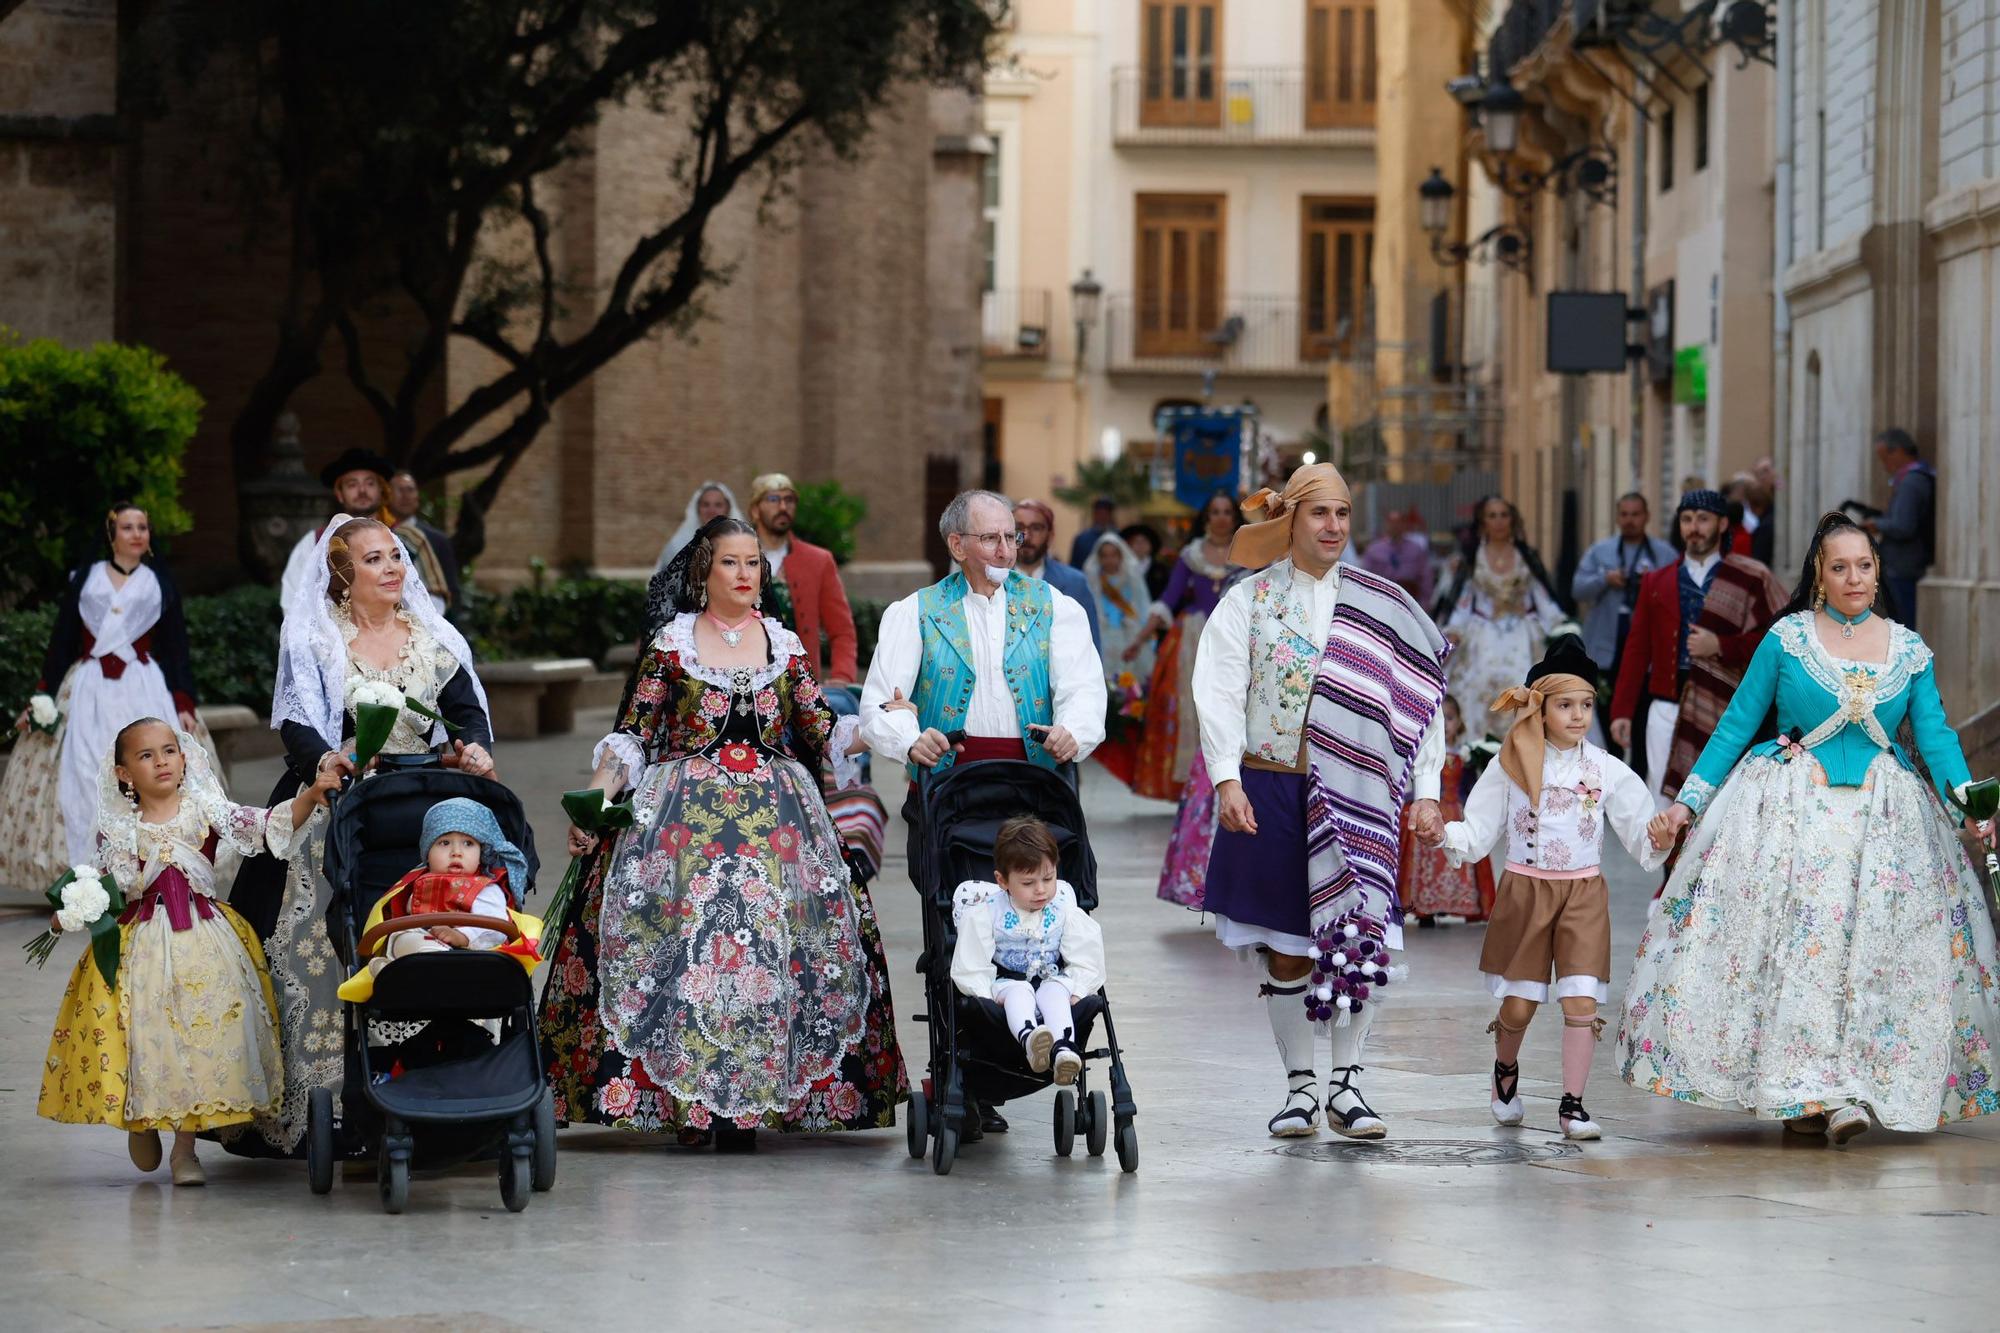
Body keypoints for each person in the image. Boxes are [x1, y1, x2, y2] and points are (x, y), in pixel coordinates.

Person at [1619, 513, 2000, 1144]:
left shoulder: (1909, 650)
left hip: (1887, 825)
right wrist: (1687, 805)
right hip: (1791, 814)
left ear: (1878, 572)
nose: (1855, 577)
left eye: (1865, 565)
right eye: (1840, 566)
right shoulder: (1787, 640)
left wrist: (1974, 809)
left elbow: (1937, 739)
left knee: (1874, 956)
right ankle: (1806, 1095)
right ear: (1819, 576)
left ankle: (1848, 1087)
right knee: (1802, 950)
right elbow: (1737, 726)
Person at [542, 517, 905, 1149]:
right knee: (675, 938)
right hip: (680, 819)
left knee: (785, 936)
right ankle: (686, 1098)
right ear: (704, 574)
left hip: (779, 815)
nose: (745, 575)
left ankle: (763, 1095)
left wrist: (877, 725)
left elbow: (823, 730)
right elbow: (632, 735)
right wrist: (595, 802)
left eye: (754, 564)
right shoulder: (672, 645)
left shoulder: (784, 645)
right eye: (731, 564)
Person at [224, 515, 495, 1159]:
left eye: (397, 557)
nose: (394, 568)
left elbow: (464, 712)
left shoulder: (431, 637)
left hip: (413, 805)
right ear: (344, 575)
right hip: (336, 800)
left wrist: (474, 749)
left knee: (429, 932)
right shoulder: (318, 638)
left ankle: (442, 1087)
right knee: (320, 945)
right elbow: (296, 722)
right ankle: (330, 1101)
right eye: (376, 560)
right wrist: (326, 760)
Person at [1194, 463, 1451, 1140]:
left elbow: (1419, 694)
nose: (1334, 526)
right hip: (1275, 783)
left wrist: (1427, 791)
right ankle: (1300, 1090)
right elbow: (1218, 689)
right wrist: (1226, 776)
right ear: (1290, 520)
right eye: (1319, 514)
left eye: (1341, 513)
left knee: (1355, 938)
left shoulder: (1382, 603)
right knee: (1288, 948)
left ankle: (1349, 1086)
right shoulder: (1247, 601)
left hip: (1360, 792)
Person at [860, 488, 1104, 1135]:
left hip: (1034, 791)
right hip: (949, 793)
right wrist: (911, 735)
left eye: (1011, 539)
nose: (1005, 549)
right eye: (992, 538)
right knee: (957, 931)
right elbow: (884, 698)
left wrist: (1074, 730)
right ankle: (960, 1075)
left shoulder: (1055, 607)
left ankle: (1033, 1051)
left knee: (1044, 923)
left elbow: (1084, 688)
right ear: (956, 545)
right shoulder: (914, 613)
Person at [37, 718, 340, 1186]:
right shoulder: (120, 831)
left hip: (206, 936)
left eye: (169, 751)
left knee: (202, 1034)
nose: (161, 761)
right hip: (144, 944)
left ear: (184, 759)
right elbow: (110, 886)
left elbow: (263, 827)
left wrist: (308, 796)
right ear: (123, 775)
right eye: (145, 756)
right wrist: (72, 910)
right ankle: (144, 1119)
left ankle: (185, 1151)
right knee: (149, 1032)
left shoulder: (204, 810)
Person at [1425, 638, 1661, 1140]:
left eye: (1585, 705)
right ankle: (1505, 1071)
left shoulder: (1605, 768)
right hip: (1526, 894)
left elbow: (1640, 825)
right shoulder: (1509, 766)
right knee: (1519, 1004)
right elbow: (1479, 828)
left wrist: (1661, 834)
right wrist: (1445, 833)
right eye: (1565, 705)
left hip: (1583, 895)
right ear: (1541, 706)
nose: (1578, 716)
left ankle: (1572, 1105)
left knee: (1582, 1003)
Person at [2, 503, 211, 893]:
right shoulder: (87, 578)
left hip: (142, 684)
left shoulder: (157, 583)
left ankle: (150, 868)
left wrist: (182, 701)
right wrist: (42, 694)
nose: (137, 534)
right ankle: (88, 876)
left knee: (150, 771)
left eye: (143, 528)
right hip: (89, 687)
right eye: (128, 527)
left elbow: (175, 646)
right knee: (86, 771)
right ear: (111, 535)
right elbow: (62, 640)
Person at [1609, 490, 1786, 810]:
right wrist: (1622, 710)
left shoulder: (1749, 577)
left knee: (1721, 803)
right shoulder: (1657, 582)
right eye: (1687, 520)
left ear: (1721, 524)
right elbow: (1636, 650)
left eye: (1703, 519)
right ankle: (1669, 863)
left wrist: (1722, 645)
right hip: (1666, 706)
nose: (1694, 527)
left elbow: (1779, 635)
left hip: (1729, 709)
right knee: (1665, 802)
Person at [950, 816, 1107, 1087]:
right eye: (1028, 883)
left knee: (1057, 991)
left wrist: (1080, 986)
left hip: (1049, 977)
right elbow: (971, 961)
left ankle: (1063, 1050)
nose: (1041, 890)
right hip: (1008, 981)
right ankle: (1031, 1039)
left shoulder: (1062, 909)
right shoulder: (988, 913)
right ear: (1002, 881)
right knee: (1018, 993)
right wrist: (986, 994)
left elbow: (1085, 951)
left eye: (1048, 878)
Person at [1134, 491, 1240, 801]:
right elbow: (1169, 598)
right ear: (1207, 518)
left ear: (1234, 518)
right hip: (1193, 644)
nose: (1221, 517)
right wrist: (1140, 640)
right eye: (1215, 512)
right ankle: (1197, 788)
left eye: (1226, 512)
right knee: (1193, 710)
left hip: (1235, 640)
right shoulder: (1191, 556)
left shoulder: (1249, 553)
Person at [1437, 496, 1565, 738]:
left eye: (1503, 515)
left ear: (1512, 520)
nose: (1498, 521)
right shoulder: (1473, 559)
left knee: (1525, 686)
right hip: (1482, 633)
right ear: (1483, 522)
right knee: (1478, 687)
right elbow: (1464, 603)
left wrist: (1561, 627)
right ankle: (1478, 754)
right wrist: (1454, 630)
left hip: (1522, 636)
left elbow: (1541, 598)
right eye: (1492, 516)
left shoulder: (1525, 557)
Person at [279, 449, 453, 616]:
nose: (362, 491)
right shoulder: (315, 542)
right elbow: (294, 600)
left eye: (370, 483)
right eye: (352, 484)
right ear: (340, 494)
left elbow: (434, 600)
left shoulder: (409, 538)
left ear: (381, 490)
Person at [741, 473, 859, 687]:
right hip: (743, 679)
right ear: (755, 510)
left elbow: (842, 631)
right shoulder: (735, 558)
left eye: (789, 500)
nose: (783, 506)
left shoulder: (818, 560)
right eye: (774, 499)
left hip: (801, 687)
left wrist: (842, 676)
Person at [1399, 695, 1495, 927]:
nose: (1445, 724)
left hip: (1455, 812)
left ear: (1460, 721)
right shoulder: (1422, 755)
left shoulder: (1466, 754)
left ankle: (1450, 905)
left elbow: (1471, 787)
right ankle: (1425, 909)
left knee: (1456, 855)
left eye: (1449, 718)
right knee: (1423, 859)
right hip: (1429, 811)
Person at [1571, 492, 1675, 682]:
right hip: (1604, 649)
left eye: (1635, 514)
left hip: (1649, 653)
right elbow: (1577, 590)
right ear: (1617, 517)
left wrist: (1652, 585)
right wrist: (1604, 579)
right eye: (1624, 514)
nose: (1630, 520)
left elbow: (1677, 598)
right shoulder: (1599, 551)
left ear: (1647, 516)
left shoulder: (1664, 554)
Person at [1867, 427, 1935, 624]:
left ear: (1897, 451)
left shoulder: (1912, 482)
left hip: (1903, 567)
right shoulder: (1918, 477)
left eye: (1884, 458)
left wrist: (1877, 524)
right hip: (1906, 565)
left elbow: (1903, 525)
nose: (1884, 465)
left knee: (1902, 624)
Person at [1015, 498, 1102, 649]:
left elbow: (1089, 646)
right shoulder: (992, 580)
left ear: (1050, 535)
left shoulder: (1074, 582)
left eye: (1036, 528)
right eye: (1019, 527)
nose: (1026, 536)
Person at [1085, 531, 1155, 689]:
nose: (1109, 560)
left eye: (1113, 555)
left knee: (1130, 683)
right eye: (1105, 556)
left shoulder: (1131, 577)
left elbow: (1143, 606)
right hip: (1102, 637)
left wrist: (1146, 637)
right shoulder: (1094, 580)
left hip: (1129, 636)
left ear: (1121, 555)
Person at [386, 470, 462, 611]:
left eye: (410, 490)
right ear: (387, 495)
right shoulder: (380, 534)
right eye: (399, 490)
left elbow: (451, 590)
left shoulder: (437, 540)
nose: (406, 496)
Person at [653, 480, 742, 577]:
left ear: (728, 509)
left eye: (718, 505)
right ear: (698, 509)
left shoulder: (744, 546)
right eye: (706, 505)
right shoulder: (678, 547)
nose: (711, 510)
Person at [1360, 508, 1435, 607]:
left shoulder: (1416, 550)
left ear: (1405, 525)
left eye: (1398, 522)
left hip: (1410, 601)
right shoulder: (1373, 550)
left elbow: (1426, 579)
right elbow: (1364, 577)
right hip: (1381, 600)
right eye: (1391, 522)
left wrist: (1424, 604)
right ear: (1386, 525)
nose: (1395, 526)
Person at [1121, 523, 1172, 602]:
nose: (1140, 545)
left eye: (1144, 541)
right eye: (1136, 541)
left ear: (1151, 545)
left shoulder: (1161, 569)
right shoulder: (1122, 567)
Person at [1068, 496, 1119, 569]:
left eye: (1106, 513)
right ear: (1094, 514)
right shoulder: (1082, 539)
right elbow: (1074, 565)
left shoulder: (1119, 537)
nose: (1102, 517)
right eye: (1100, 513)